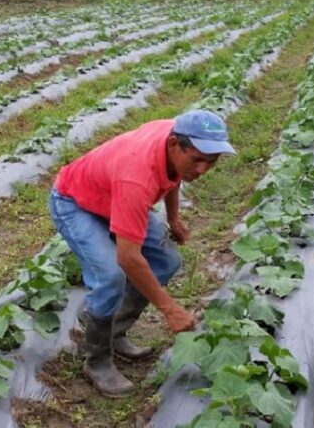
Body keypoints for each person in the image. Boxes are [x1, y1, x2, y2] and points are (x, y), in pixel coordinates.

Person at [48, 109, 235, 397]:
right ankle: (97, 360)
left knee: (167, 260)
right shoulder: (137, 175)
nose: (202, 170)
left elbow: (174, 175)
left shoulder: (176, 139)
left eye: (211, 162)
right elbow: (128, 258)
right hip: (75, 202)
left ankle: (115, 332)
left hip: (113, 196)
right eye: (197, 160)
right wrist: (169, 310)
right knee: (111, 275)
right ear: (175, 144)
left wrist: (173, 217)